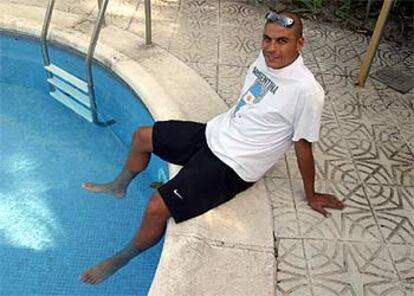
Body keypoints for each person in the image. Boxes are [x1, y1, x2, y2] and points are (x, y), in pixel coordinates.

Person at [80, 11, 345, 285]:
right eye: (267, 39)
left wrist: (311, 194)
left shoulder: (306, 91)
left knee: (157, 207)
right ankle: (119, 185)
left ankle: (122, 257)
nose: (271, 48)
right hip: (214, 133)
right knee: (141, 137)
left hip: (233, 165)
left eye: (282, 41)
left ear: (299, 44)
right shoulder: (265, 62)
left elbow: (303, 145)